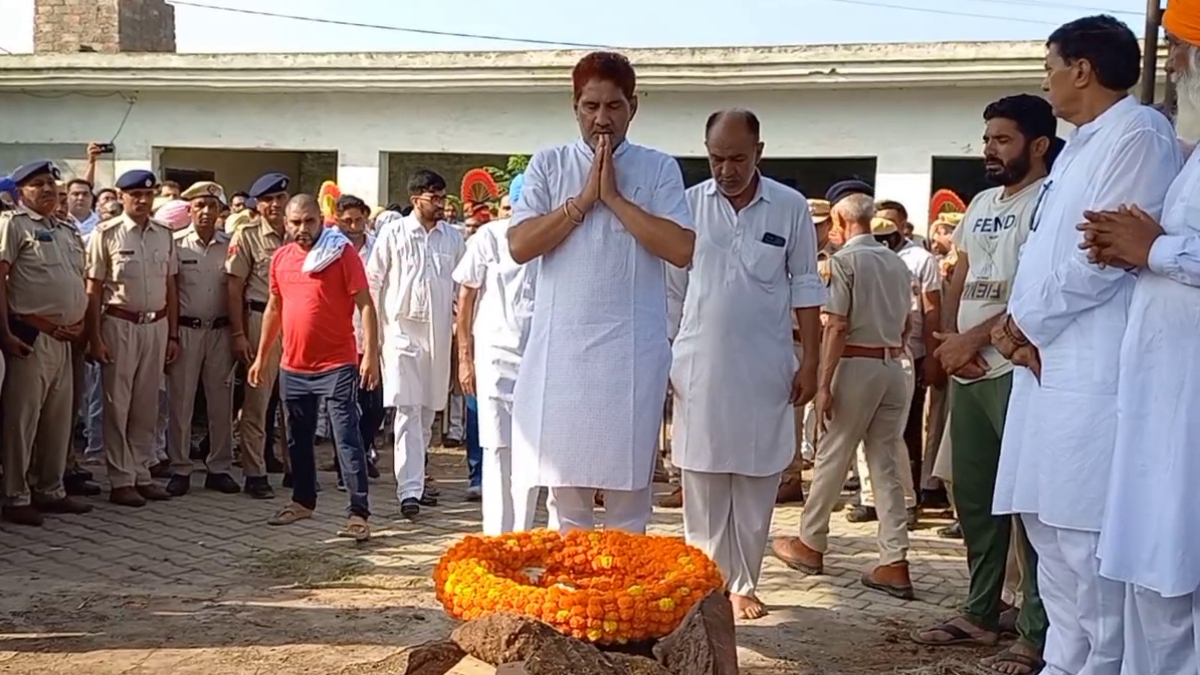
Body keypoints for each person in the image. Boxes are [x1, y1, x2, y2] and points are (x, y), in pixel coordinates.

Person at [990, 15, 1183, 675]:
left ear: (1081, 68)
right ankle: (1064, 663)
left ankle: (1099, 666)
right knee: (1047, 528)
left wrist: (1026, 323)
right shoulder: (1078, 145)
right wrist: (1017, 324)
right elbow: (1046, 254)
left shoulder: (1139, 133)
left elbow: (1100, 255)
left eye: (1049, 65)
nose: (1045, 79)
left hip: (1090, 363)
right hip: (1045, 362)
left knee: (1086, 540)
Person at [507, 51, 694, 534]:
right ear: (575, 107)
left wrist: (614, 199)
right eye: (591, 107)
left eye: (614, 106)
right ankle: (571, 602)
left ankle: (625, 606)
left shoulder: (659, 169)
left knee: (630, 498)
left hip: (630, 354)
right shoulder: (549, 165)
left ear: (633, 107)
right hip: (563, 354)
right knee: (566, 496)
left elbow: (679, 248)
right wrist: (583, 202)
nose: (602, 120)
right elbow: (520, 246)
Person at [914, 94, 1059, 675]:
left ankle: (1036, 630)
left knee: (1030, 508)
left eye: (1002, 139)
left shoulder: (1049, 200)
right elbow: (961, 276)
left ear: (1038, 144)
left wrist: (973, 341)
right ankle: (980, 612)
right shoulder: (979, 203)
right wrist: (950, 341)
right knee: (973, 500)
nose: (989, 150)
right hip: (971, 368)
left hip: (1018, 368)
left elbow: (1035, 291)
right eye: (987, 140)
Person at [668, 110, 824, 620]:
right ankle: (706, 580)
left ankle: (743, 584)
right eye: (716, 158)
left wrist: (812, 362)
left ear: (759, 151)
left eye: (737, 158)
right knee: (703, 477)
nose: (726, 169)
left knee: (756, 478)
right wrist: (668, 356)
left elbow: (805, 284)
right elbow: (673, 290)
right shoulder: (688, 206)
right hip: (700, 366)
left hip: (766, 364)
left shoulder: (789, 206)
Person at [1084, 5, 1200, 672]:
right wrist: (1133, 247)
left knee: (1178, 574)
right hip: (1161, 395)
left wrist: (1156, 249)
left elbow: (1175, 253)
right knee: (1154, 574)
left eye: (1183, 49)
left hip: (1186, 404)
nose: (1175, 62)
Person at [772, 188, 916, 600]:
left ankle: (811, 541)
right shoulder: (896, 262)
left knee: (833, 454)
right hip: (892, 364)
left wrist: (822, 382)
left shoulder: (843, 263)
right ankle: (894, 557)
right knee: (884, 464)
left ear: (839, 221)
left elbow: (835, 324)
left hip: (856, 363)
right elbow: (907, 323)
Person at [249, 195, 380, 540]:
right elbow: (274, 308)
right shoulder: (281, 258)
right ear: (286, 223)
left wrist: (371, 355)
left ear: (321, 220)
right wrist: (263, 356)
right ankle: (303, 501)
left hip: (337, 363)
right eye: (295, 223)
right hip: (294, 365)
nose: (302, 229)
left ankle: (358, 512)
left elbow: (365, 304)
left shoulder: (341, 254)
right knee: (296, 439)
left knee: (346, 438)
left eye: (308, 221)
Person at [0, 160, 93, 526]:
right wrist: (5, 332)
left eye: (51, 184)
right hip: (30, 336)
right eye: (37, 184)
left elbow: (77, 281)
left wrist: (81, 319)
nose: (48, 190)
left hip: (65, 337)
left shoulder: (67, 229)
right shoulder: (13, 225)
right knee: (22, 420)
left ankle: (50, 489)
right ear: (21, 191)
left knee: (58, 419)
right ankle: (15, 494)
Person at [367, 170, 464, 519]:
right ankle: (408, 490)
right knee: (407, 408)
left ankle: (418, 482)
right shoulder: (392, 234)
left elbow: (461, 289)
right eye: (434, 197)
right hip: (400, 334)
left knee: (427, 411)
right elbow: (372, 285)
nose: (441, 203)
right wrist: (371, 340)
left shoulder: (452, 238)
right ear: (415, 198)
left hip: (437, 335)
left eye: (443, 197)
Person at [85, 169, 181, 507]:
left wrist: (172, 334)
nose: (142, 200)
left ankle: (142, 472)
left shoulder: (164, 234)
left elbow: (170, 285)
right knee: (117, 404)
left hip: (155, 325)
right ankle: (121, 479)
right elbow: (94, 290)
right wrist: (94, 337)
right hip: (119, 323)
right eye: (134, 194)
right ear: (121, 196)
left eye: (148, 194)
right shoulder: (106, 234)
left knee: (147, 404)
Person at [453, 172, 539, 533]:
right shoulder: (488, 236)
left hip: (536, 355)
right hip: (493, 353)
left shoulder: (548, 236)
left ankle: (522, 533)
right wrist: (465, 358)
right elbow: (467, 296)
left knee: (532, 449)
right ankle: (496, 535)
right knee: (496, 445)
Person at [163, 181, 240, 497]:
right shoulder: (176, 244)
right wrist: (171, 334)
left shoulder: (231, 245)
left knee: (221, 403)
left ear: (221, 211)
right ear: (189, 210)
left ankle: (219, 466)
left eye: (211, 206)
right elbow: (170, 291)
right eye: (199, 206)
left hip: (221, 331)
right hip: (186, 330)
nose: (205, 212)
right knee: (180, 401)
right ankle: (180, 467)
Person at [226, 172, 292, 499]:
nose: (276, 205)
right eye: (268, 200)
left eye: (280, 198)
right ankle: (255, 472)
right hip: (259, 318)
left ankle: (296, 469)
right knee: (257, 400)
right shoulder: (247, 235)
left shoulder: (300, 233)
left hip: (295, 323)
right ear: (257, 204)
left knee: (295, 400)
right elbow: (234, 286)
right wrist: (239, 333)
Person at [330, 194, 382, 490]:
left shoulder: (378, 246)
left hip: (372, 337)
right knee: (345, 407)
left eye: (357, 220)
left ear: (366, 217)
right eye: (346, 220)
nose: (352, 226)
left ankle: (362, 452)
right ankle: (345, 468)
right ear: (337, 219)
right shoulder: (331, 247)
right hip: (342, 335)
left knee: (373, 407)